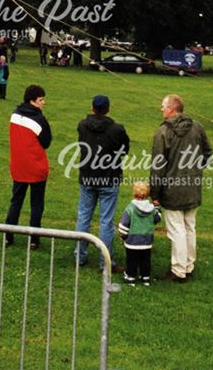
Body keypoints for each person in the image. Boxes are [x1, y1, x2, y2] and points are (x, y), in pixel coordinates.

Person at [150, 94, 213, 282]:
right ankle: (188, 264)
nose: (161, 109)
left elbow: (157, 166)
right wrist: (194, 170)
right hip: (192, 186)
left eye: (163, 106)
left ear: (171, 109)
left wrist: (155, 193)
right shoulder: (197, 127)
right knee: (189, 226)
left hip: (173, 188)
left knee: (177, 228)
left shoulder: (163, 132)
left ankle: (179, 270)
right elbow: (208, 153)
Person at [74, 95, 130, 271]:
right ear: (108, 109)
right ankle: (104, 261)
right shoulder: (116, 129)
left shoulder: (83, 125)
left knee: (84, 216)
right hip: (108, 177)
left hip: (89, 175)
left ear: (92, 108)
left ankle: (80, 255)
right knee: (106, 221)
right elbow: (124, 149)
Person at [5, 85, 51, 248]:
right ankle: (34, 238)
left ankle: (8, 235)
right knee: (36, 204)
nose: (43, 102)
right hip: (36, 166)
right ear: (32, 101)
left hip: (18, 165)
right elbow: (46, 142)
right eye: (40, 100)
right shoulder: (39, 120)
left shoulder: (14, 115)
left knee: (16, 201)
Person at [117, 181, 161, 286]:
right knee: (145, 260)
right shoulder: (151, 209)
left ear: (134, 193)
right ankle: (145, 277)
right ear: (147, 194)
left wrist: (123, 236)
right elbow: (157, 219)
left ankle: (130, 277)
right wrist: (157, 208)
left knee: (131, 260)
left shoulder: (130, 208)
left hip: (132, 241)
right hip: (147, 240)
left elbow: (124, 225)